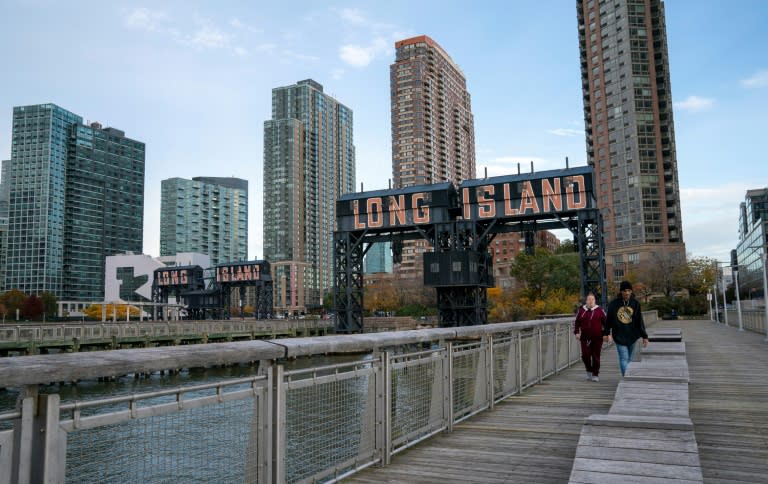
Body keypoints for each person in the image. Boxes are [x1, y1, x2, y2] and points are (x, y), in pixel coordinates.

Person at [604, 280, 649, 376]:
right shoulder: (613, 304)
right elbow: (608, 320)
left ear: (631, 291)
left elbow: (639, 321)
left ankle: (628, 377)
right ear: (621, 291)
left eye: (629, 290)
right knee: (624, 358)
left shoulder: (635, 303)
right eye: (624, 290)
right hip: (619, 336)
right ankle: (628, 378)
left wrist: (644, 336)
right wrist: (606, 333)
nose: (627, 293)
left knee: (630, 359)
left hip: (633, 336)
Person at [574, 293, 607, 382]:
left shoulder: (599, 310)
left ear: (595, 301)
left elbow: (606, 323)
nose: (591, 301)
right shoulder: (581, 310)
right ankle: (589, 370)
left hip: (597, 338)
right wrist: (576, 332)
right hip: (584, 338)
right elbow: (576, 322)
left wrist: (606, 334)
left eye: (592, 299)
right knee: (585, 356)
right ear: (586, 301)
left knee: (596, 356)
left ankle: (595, 374)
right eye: (589, 299)